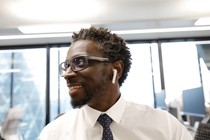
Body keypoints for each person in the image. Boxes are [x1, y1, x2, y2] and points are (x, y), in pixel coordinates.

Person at [39, 27, 193, 140]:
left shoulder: (166, 127)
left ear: (116, 69)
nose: (67, 74)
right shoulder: (53, 134)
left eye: (79, 62)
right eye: (66, 66)